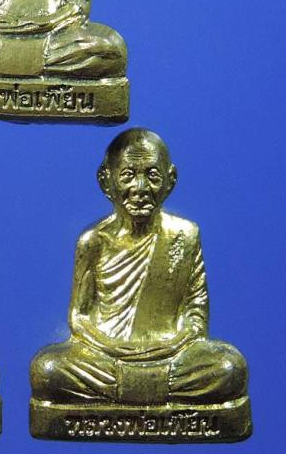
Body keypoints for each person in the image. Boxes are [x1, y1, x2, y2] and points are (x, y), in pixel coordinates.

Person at [31, 128, 248, 405]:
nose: (140, 188)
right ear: (106, 181)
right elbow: (79, 317)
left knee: (229, 368)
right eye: (127, 175)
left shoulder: (185, 235)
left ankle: (129, 389)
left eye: (152, 176)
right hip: (105, 358)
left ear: (170, 181)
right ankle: (145, 387)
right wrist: (112, 347)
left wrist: (172, 344)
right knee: (48, 370)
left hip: (171, 355)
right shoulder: (93, 241)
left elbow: (196, 313)